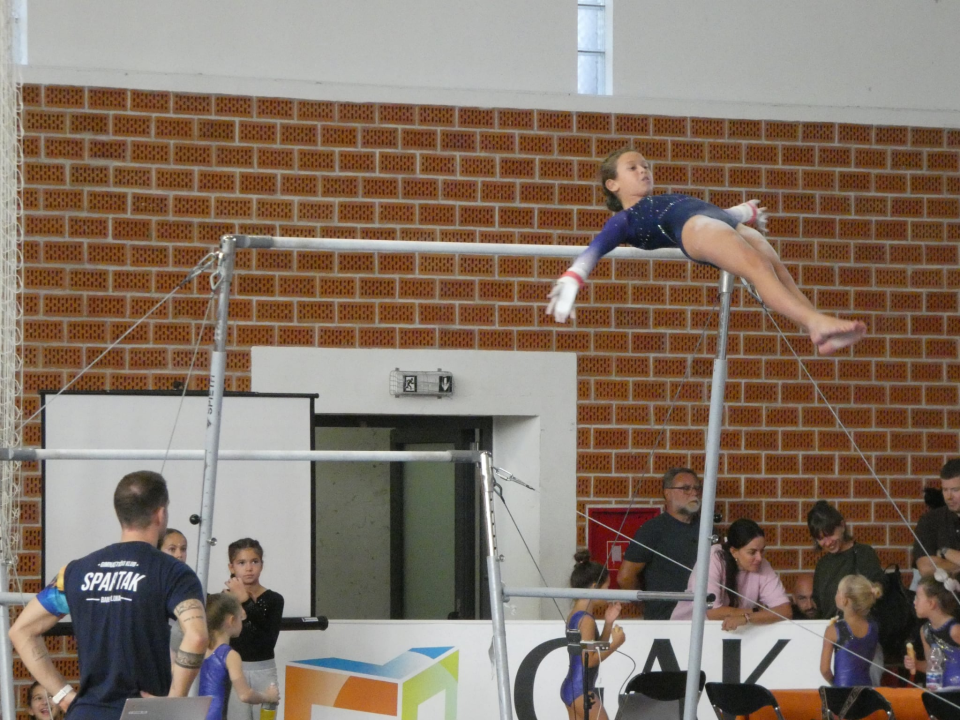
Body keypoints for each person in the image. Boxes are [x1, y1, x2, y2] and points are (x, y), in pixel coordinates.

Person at [546, 148, 866, 355]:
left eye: (646, 165)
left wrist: (742, 213)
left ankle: (817, 326)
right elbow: (598, 245)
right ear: (612, 185)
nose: (643, 170)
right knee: (757, 268)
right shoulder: (625, 219)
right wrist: (575, 276)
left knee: (775, 267)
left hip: (714, 220)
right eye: (632, 168)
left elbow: (702, 209)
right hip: (694, 229)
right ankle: (814, 324)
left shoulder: (660, 200)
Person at [9, 470, 208, 720]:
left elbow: (21, 631)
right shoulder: (173, 571)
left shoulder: (75, 571)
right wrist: (172, 704)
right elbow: (198, 636)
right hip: (143, 714)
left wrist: (63, 695)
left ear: (120, 514)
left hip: (86, 713)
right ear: (160, 513)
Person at [671, 518, 792, 629]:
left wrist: (747, 618)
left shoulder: (761, 564)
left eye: (762, 551)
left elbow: (785, 610)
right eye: (752, 552)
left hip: (733, 632)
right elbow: (713, 612)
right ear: (734, 551)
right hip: (688, 630)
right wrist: (756, 613)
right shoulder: (713, 557)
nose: (759, 558)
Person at [617, 468, 703, 619]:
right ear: (667, 493)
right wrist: (647, 605)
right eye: (685, 488)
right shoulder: (652, 530)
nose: (694, 493)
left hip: (701, 618)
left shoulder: (707, 528)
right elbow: (625, 577)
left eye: (697, 488)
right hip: (664, 619)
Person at [560, 550, 625, 720]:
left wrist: (608, 623)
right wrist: (616, 644)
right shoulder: (586, 619)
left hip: (573, 687)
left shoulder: (576, 614)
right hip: (581, 690)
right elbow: (590, 659)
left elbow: (591, 650)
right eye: (606, 587)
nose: (608, 592)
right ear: (594, 587)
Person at [224, 538, 283, 720]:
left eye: (254, 562)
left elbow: (267, 640)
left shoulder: (274, 599)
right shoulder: (225, 599)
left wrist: (246, 601)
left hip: (264, 671)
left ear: (261, 565)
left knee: (266, 716)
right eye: (241, 563)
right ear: (232, 567)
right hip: (235, 671)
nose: (249, 568)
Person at [200, 593, 280, 720]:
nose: (242, 622)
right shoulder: (230, 655)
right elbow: (245, 695)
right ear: (231, 620)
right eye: (241, 618)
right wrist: (268, 697)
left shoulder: (200, 649)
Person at [808, 500, 884, 619]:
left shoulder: (863, 553)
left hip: (859, 627)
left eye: (830, 534)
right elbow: (818, 603)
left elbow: (878, 586)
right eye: (820, 538)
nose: (828, 543)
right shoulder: (822, 564)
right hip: (830, 628)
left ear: (842, 526)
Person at [820, 575, 882, 686]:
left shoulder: (834, 629)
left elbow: (824, 669)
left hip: (842, 690)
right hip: (866, 688)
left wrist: (834, 683)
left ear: (844, 600)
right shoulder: (873, 627)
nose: (836, 594)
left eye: (838, 591)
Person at [903, 575, 960, 687]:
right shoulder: (925, 631)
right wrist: (916, 664)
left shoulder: (955, 630)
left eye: (918, 598)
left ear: (931, 603)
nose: (914, 602)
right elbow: (932, 666)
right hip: (938, 690)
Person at [914, 459, 960, 578]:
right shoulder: (930, 521)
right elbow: (926, 568)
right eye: (945, 490)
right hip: (939, 595)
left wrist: (944, 553)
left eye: (955, 490)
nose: (949, 497)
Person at [160, 527, 190, 661]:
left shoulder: (190, 584)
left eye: (183, 549)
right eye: (172, 549)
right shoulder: (149, 583)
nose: (179, 555)